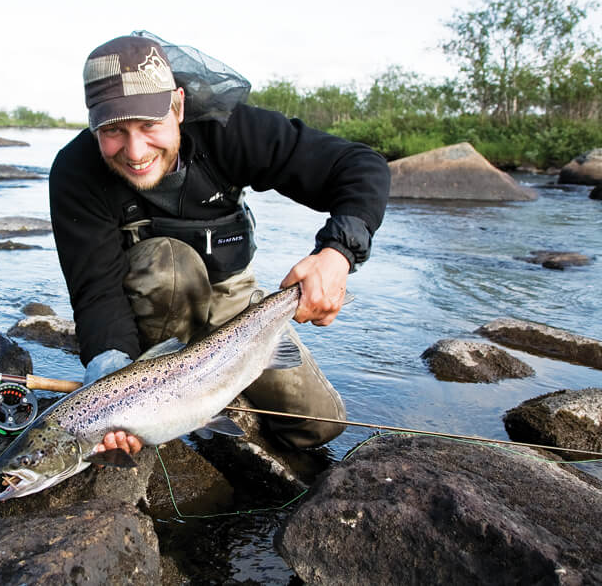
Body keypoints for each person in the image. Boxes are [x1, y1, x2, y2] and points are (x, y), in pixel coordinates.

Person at [48, 35, 390, 457]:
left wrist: (337, 254)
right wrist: (114, 395)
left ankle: (219, 395)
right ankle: (180, 413)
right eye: (113, 131)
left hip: (234, 307)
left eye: (149, 126)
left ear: (177, 104)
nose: (135, 151)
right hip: (148, 324)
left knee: (320, 426)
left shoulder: (227, 129)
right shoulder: (75, 172)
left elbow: (359, 167)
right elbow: (96, 292)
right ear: (92, 123)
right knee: (169, 264)